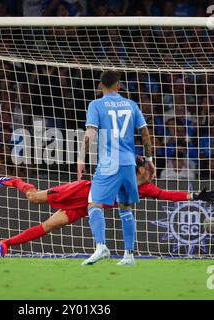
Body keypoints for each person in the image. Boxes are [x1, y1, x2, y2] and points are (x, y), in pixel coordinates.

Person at [0, 156, 214, 257]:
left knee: (49, 226)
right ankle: (14, 180)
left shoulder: (146, 188)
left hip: (86, 206)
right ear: (140, 170)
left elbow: (166, 194)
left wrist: (195, 195)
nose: (153, 172)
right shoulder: (122, 171)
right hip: (81, 191)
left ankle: (6, 243)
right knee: (33, 197)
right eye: (150, 168)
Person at [77, 70, 155, 266]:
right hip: (129, 163)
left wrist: (81, 158)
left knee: (94, 203)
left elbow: (90, 134)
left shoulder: (96, 105)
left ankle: (101, 246)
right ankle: (129, 255)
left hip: (109, 163)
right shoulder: (131, 105)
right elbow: (145, 134)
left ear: (100, 86)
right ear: (118, 86)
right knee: (126, 208)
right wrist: (149, 159)